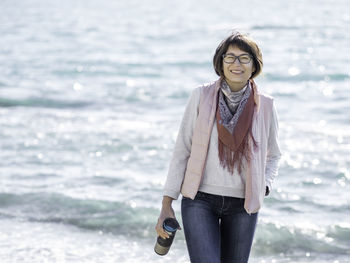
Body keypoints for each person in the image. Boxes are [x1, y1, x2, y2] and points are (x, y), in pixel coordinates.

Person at [155, 31, 281, 263]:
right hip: (200, 200)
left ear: (254, 65)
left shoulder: (265, 105)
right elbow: (182, 149)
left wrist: (263, 185)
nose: (236, 63)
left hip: (244, 203)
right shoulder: (201, 96)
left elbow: (273, 155)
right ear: (220, 62)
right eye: (230, 57)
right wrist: (166, 204)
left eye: (244, 58)